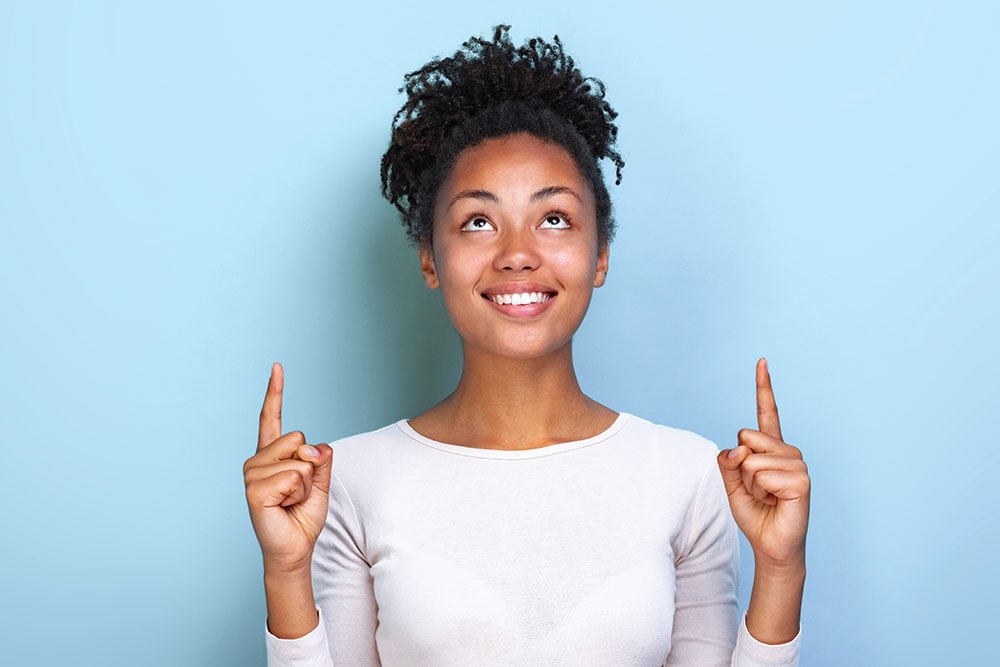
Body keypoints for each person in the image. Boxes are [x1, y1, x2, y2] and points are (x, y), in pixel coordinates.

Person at [244, 26, 810, 666]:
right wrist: (284, 573)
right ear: (430, 258)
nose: (518, 254)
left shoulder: (686, 475)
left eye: (554, 218)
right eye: (479, 221)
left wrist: (782, 569)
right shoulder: (347, 481)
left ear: (600, 256)